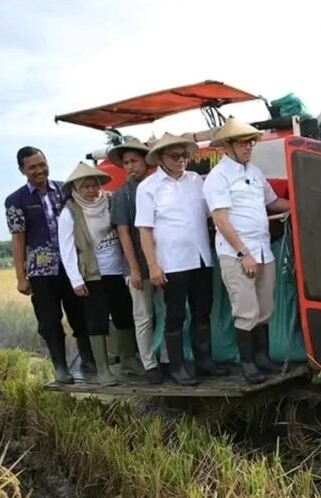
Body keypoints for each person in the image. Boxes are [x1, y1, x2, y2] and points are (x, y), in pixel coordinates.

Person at [135, 133, 229, 385]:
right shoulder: (148, 188)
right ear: (161, 159)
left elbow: (215, 213)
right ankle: (177, 368)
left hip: (200, 258)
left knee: (202, 311)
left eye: (185, 155)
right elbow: (144, 230)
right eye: (175, 156)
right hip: (171, 262)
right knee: (175, 315)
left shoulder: (197, 180)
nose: (181, 160)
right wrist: (153, 265)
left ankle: (204, 361)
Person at [202, 118, 291, 383]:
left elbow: (273, 202)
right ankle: (248, 363)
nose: (248, 146)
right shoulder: (218, 177)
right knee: (246, 309)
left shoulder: (254, 171)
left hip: (263, 248)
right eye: (242, 142)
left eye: (250, 142)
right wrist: (244, 254)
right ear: (227, 146)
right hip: (238, 253)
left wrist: (301, 203)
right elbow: (220, 219)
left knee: (265, 307)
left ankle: (262, 357)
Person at [4, 146, 95, 384]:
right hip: (41, 272)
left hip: (72, 267)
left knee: (80, 314)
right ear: (22, 170)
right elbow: (18, 238)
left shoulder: (65, 190)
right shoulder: (16, 201)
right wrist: (20, 276)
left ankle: (88, 359)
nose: (39, 170)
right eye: (32, 167)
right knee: (49, 320)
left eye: (42, 164)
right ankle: (61, 368)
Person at [56, 162, 145, 385]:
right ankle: (103, 369)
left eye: (94, 185)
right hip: (92, 274)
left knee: (124, 314)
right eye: (85, 186)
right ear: (76, 188)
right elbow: (66, 248)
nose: (91, 191)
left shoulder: (110, 201)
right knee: (97, 320)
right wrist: (76, 280)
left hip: (117, 269)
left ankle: (128, 359)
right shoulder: (70, 212)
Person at [107, 136, 168, 384]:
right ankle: (149, 363)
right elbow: (123, 232)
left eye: (134, 161)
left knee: (167, 312)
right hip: (138, 265)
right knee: (143, 316)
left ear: (147, 161)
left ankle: (167, 358)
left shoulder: (159, 187)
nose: (130, 167)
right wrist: (134, 269)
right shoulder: (123, 195)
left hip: (164, 260)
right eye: (126, 163)